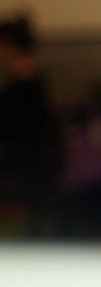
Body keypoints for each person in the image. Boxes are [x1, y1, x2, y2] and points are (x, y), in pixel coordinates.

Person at [0, 13, 57, 235]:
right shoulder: (35, 86)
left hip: (23, 179)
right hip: (33, 178)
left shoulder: (21, 92)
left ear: (11, 47)